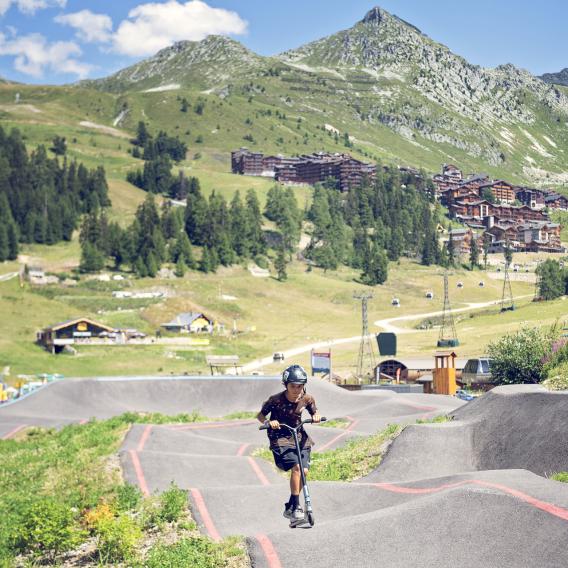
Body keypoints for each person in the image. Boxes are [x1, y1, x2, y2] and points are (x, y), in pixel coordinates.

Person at [257, 364, 321, 524]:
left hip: (299, 435)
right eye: (293, 386)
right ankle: (297, 507)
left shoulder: (307, 398)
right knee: (297, 468)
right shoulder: (275, 400)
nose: (297, 390)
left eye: (300, 386)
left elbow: (315, 412)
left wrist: (316, 417)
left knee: (304, 471)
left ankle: (291, 505)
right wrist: (269, 422)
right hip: (280, 438)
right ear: (286, 384)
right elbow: (260, 416)